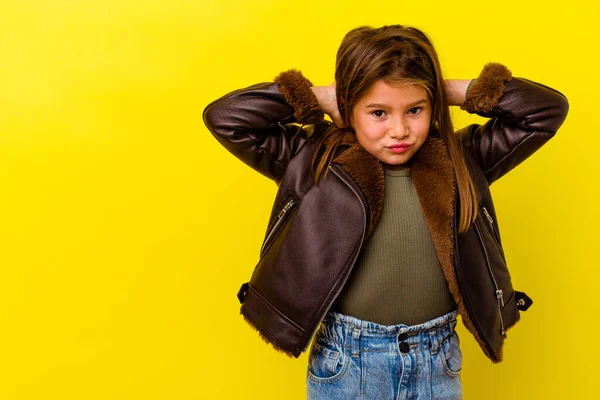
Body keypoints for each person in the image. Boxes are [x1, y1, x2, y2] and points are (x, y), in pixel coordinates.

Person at [203, 24, 569, 400]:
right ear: (349, 109)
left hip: (436, 361)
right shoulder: (313, 160)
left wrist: (448, 92)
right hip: (347, 361)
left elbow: (545, 111)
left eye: (415, 109)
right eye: (378, 112)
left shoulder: (463, 159)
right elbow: (227, 118)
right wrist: (323, 98)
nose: (399, 130)